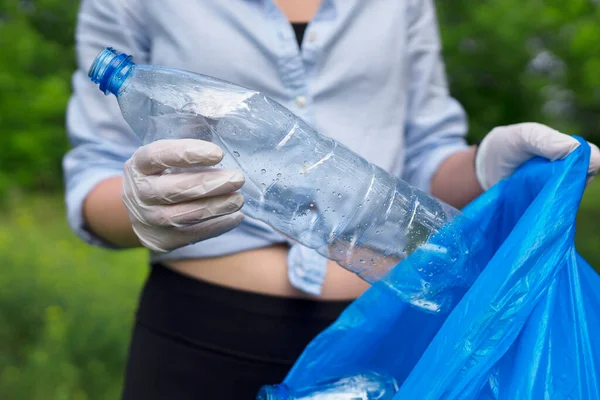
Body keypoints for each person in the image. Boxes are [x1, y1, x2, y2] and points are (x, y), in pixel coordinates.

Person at [64, 0, 600, 398]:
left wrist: (487, 164)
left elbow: (425, 160)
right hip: (201, 336)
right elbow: (92, 176)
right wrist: (144, 207)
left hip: (388, 329)